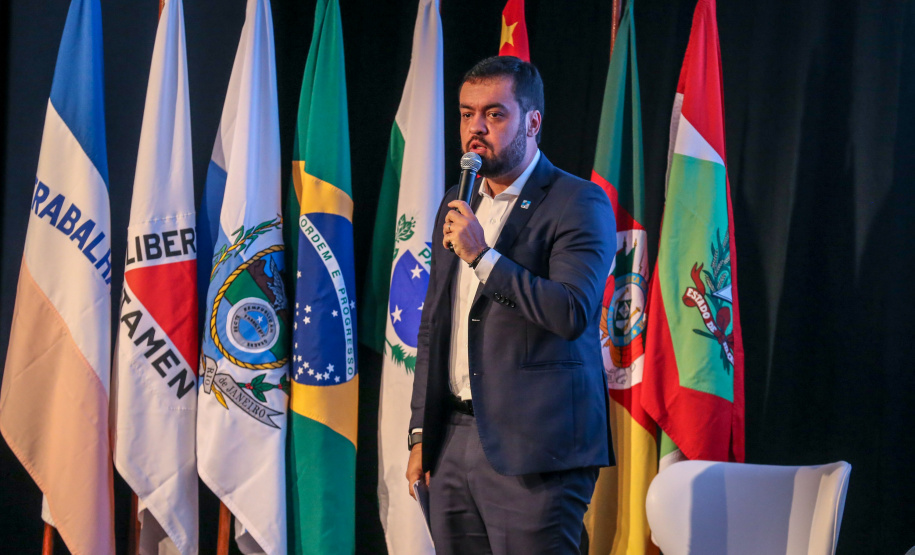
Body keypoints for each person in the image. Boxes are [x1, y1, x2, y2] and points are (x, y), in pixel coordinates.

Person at [406, 56, 616, 555]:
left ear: (533, 122)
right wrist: (420, 433)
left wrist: (483, 257)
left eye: (495, 114)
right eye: (467, 114)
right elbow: (435, 324)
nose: (475, 128)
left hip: (536, 454)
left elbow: (571, 312)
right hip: (451, 441)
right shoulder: (458, 203)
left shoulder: (578, 202)